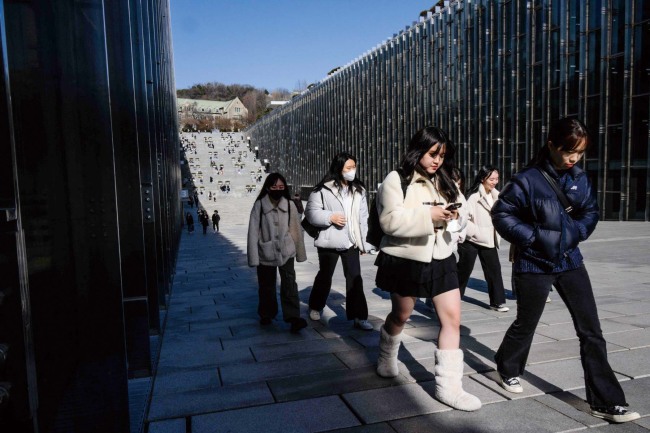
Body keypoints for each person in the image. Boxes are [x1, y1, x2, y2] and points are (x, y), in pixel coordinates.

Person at [491, 117, 639, 423]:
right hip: (534, 263)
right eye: (569, 151)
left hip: (571, 261)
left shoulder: (579, 178)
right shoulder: (527, 179)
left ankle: (605, 401)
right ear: (551, 146)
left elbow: (591, 212)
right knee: (526, 324)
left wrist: (575, 234)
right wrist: (532, 239)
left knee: (591, 331)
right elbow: (502, 213)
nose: (574, 158)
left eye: (580, 152)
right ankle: (507, 367)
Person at [374, 126, 480, 412]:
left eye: (442, 155)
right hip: (407, 257)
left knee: (452, 320)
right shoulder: (397, 179)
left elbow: (463, 214)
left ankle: (450, 388)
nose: (437, 161)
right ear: (418, 149)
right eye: (433, 154)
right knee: (401, 315)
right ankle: (387, 353)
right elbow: (389, 221)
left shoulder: (446, 179)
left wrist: (453, 215)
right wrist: (428, 215)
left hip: (443, 255)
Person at [304, 152, 374, 330]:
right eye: (348, 168)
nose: (352, 171)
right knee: (325, 276)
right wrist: (330, 217)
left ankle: (359, 316)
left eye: (354, 167)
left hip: (350, 241)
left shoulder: (359, 190)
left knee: (355, 278)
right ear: (339, 168)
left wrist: (364, 242)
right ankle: (315, 306)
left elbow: (363, 218)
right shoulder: (323, 189)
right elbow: (311, 213)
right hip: (330, 240)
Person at [247, 173, 308, 333]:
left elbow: (296, 229)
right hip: (265, 251)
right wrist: (253, 257)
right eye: (274, 187)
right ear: (267, 188)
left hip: (286, 250)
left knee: (289, 284)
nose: (278, 190)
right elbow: (253, 232)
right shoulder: (259, 205)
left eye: (281, 187)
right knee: (266, 285)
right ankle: (267, 313)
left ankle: (293, 317)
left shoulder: (289, 205)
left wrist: (300, 253)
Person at [456, 165, 509, 312]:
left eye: (497, 179)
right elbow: (464, 218)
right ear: (482, 178)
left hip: (489, 239)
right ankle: (451, 299)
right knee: (463, 271)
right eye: (491, 179)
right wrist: (475, 232)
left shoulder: (496, 196)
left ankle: (497, 302)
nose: (494, 182)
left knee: (494, 270)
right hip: (471, 240)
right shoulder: (473, 197)